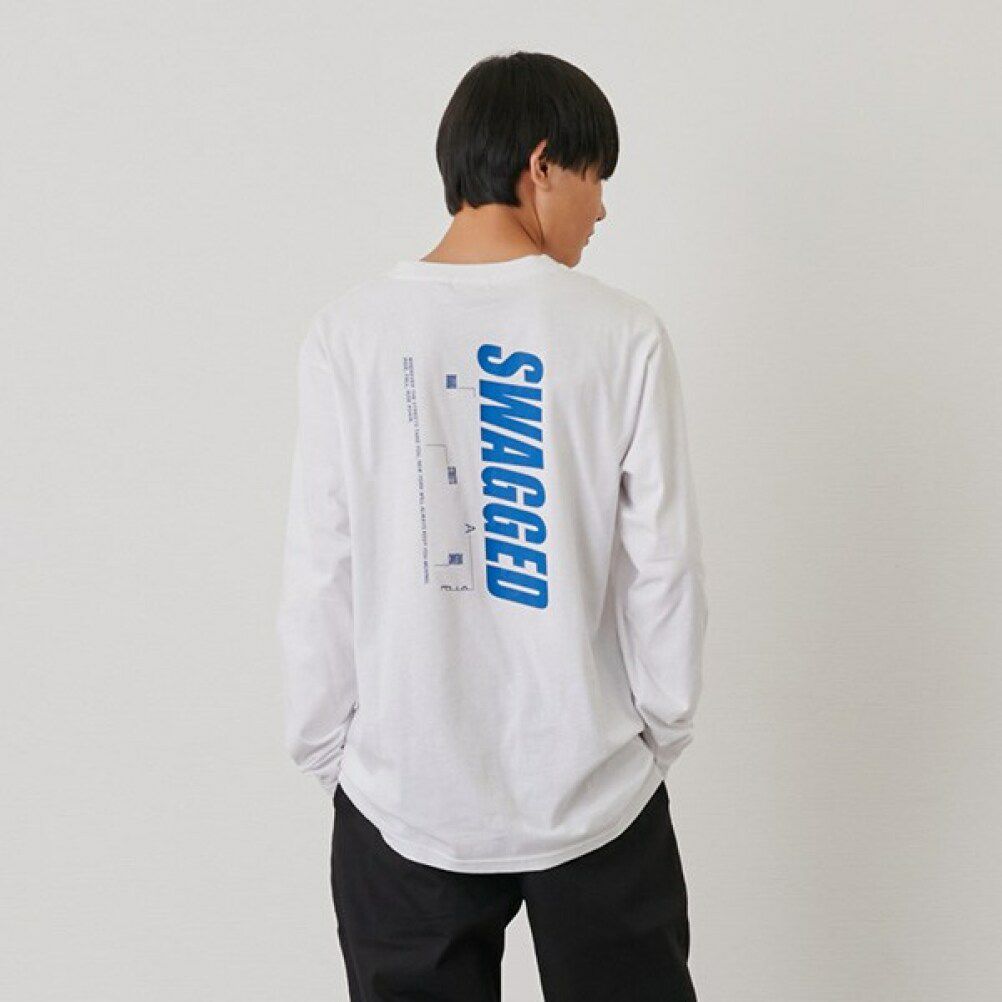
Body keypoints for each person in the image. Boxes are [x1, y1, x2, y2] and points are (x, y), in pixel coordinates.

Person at [276, 49, 709, 1002]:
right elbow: (664, 565)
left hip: (404, 792)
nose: (603, 208)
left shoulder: (350, 332)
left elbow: (320, 562)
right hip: (592, 788)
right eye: (596, 176)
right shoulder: (621, 334)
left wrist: (333, 753)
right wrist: (657, 733)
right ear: (542, 163)